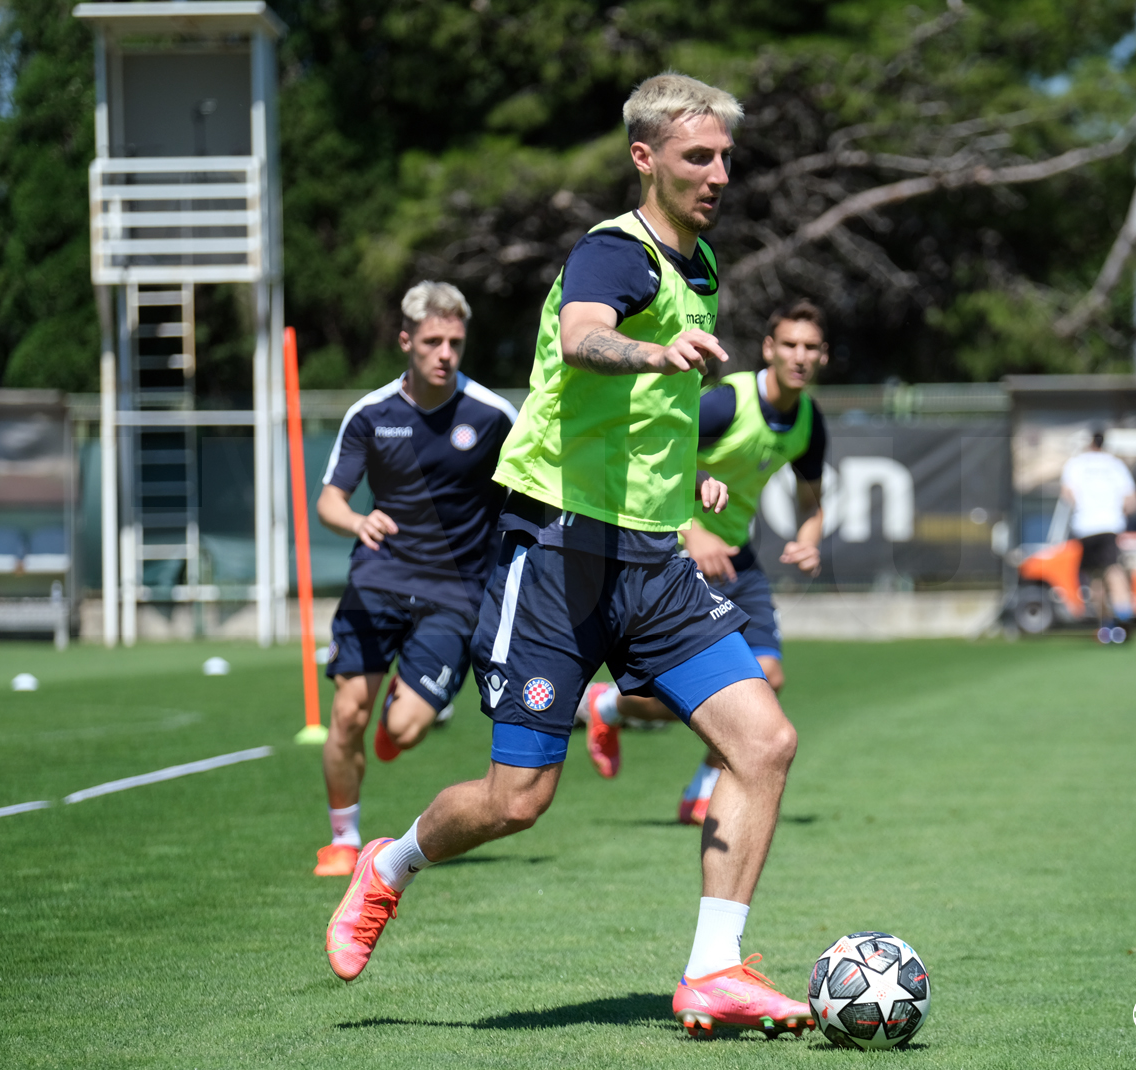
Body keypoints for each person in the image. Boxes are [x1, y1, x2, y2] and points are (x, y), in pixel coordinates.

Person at [325, 72, 816, 1039]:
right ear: (646, 159)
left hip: (652, 559)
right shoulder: (612, 256)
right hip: (555, 552)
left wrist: (691, 488)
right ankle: (387, 866)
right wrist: (650, 353)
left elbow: (649, 424)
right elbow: (589, 340)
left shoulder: (701, 265)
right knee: (517, 802)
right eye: (697, 157)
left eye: (725, 157)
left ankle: (713, 970)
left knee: (766, 744)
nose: (719, 173)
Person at [577, 299, 829, 826]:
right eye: (789, 345)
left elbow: (812, 500)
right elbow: (655, 454)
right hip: (676, 553)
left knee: (768, 677)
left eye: (810, 347)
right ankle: (610, 708)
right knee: (709, 689)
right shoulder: (728, 404)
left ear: (822, 357)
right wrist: (694, 531)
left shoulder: (808, 421)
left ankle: (700, 786)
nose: (799, 356)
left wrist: (810, 538)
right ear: (769, 349)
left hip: (738, 558)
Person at [311, 281, 519, 877]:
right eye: (432, 341)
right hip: (377, 579)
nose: (445, 353)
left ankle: (408, 714)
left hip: (454, 595)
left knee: (402, 728)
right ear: (406, 340)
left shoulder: (491, 415)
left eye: (455, 341)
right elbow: (329, 502)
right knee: (349, 713)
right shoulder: (371, 415)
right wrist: (356, 518)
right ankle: (344, 840)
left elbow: (529, 489)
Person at [1060, 429, 1136, 644]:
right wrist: (1114, 511)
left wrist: (1085, 508)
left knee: (1095, 578)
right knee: (1114, 571)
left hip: (1086, 526)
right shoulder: (1115, 465)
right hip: (1109, 525)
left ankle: (1106, 626)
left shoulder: (1076, 464)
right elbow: (1132, 502)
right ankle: (1124, 619)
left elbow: (1068, 494)